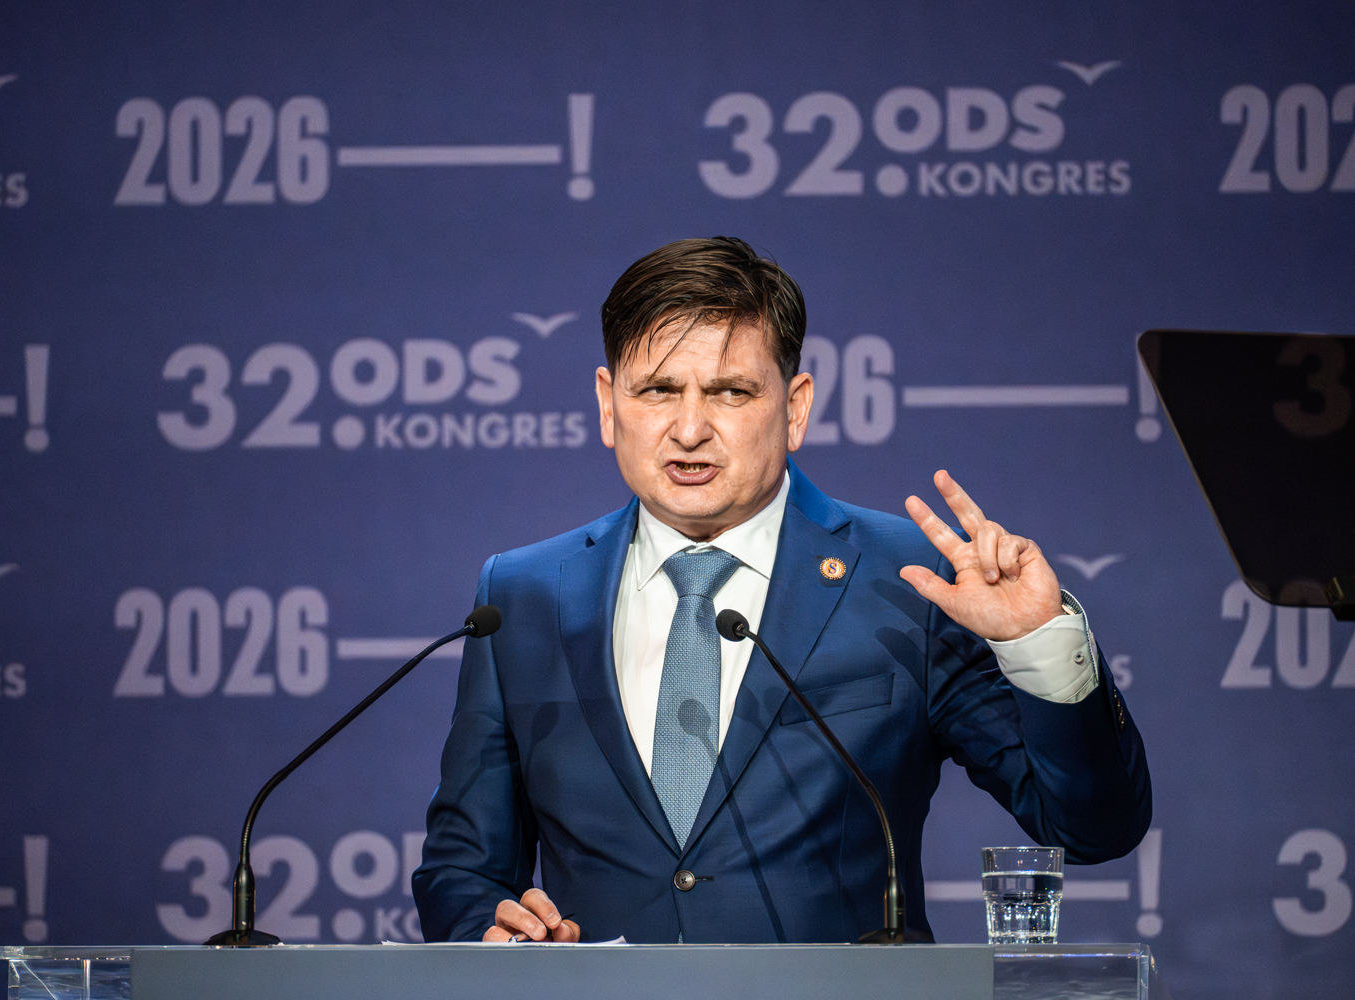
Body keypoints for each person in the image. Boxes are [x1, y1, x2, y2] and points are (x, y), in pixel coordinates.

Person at [413, 237, 1151, 944]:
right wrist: (491, 930)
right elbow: (463, 868)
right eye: (659, 390)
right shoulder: (524, 597)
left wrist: (1037, 642)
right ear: (609, 405)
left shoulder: (909, 580)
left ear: (794, 408)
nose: (690, 428)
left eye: (731, 392)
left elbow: (1093, 828)